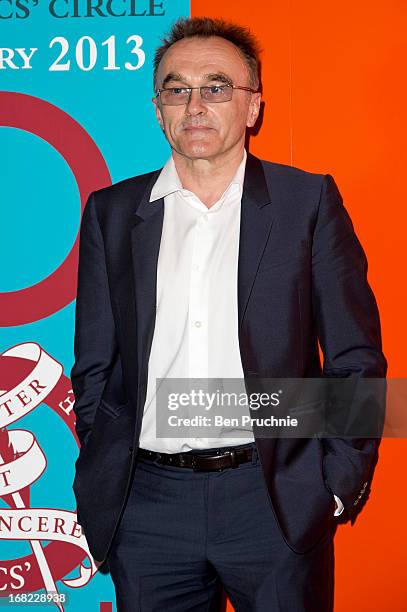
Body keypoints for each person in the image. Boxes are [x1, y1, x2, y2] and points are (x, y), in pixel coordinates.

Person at [71, 16, 387, 612]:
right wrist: (102, 461)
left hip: (273, 501)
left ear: (252, 106)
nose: (195, 104)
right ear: (158, 108)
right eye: (176, 88)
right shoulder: (112, 213)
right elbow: (95, 363)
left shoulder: (307, 202)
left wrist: (335, 483)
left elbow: (355, 358)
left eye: (217, 87)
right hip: (147, 508)